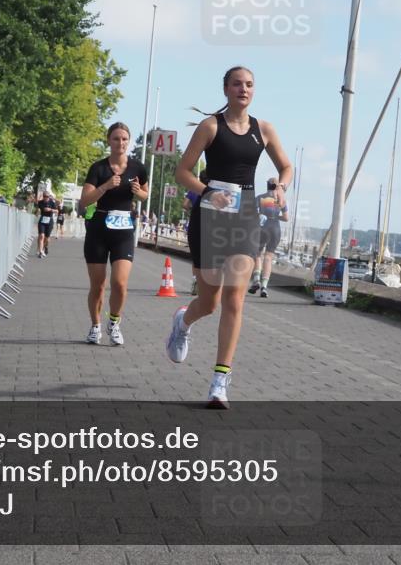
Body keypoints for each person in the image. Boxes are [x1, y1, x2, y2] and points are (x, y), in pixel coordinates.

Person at [165, 66, 291, 409]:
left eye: (249, 84)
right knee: (210, 303)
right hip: (210, 219)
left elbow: (286, 167)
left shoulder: (263, 129)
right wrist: (207, 192)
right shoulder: (211, 127)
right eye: (237, 83)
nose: (243, 89)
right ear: (225, 89)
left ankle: (220, 380)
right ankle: (183, 320)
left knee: (235, 298)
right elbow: (182, 171)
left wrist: (280, 187)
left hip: (246, 218)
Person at [80, 122, 149, 346]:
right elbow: (85, 200)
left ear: (129, 142)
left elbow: (145, 195)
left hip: (124, 230)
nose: (121, 143)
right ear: (109, 141)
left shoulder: (138, 167)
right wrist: (105, 186)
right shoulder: (98, 168)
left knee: (119, 283)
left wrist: (139, 193)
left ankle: (114, 322)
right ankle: (95, 325)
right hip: (99, 228)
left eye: (124, 139)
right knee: (98, 285)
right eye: (116, 139)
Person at [248, 176, 289, 297]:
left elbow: (253, 214)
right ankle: (264, 287)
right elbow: (286, 218)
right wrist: (277, 217)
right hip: (275, 229)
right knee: (269, 258)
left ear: (267, 185)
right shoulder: (281, 200)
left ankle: (256, 280)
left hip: (263, 228)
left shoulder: (260, 198)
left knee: (258, 255)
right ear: (277, 187)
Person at [182, 171, 209, 295]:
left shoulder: (194, 190)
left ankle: (195, 281)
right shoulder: (212, 191)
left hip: (195, 223)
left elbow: (185, 204)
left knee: (196, 257)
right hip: (209, 226)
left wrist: (192, 209)